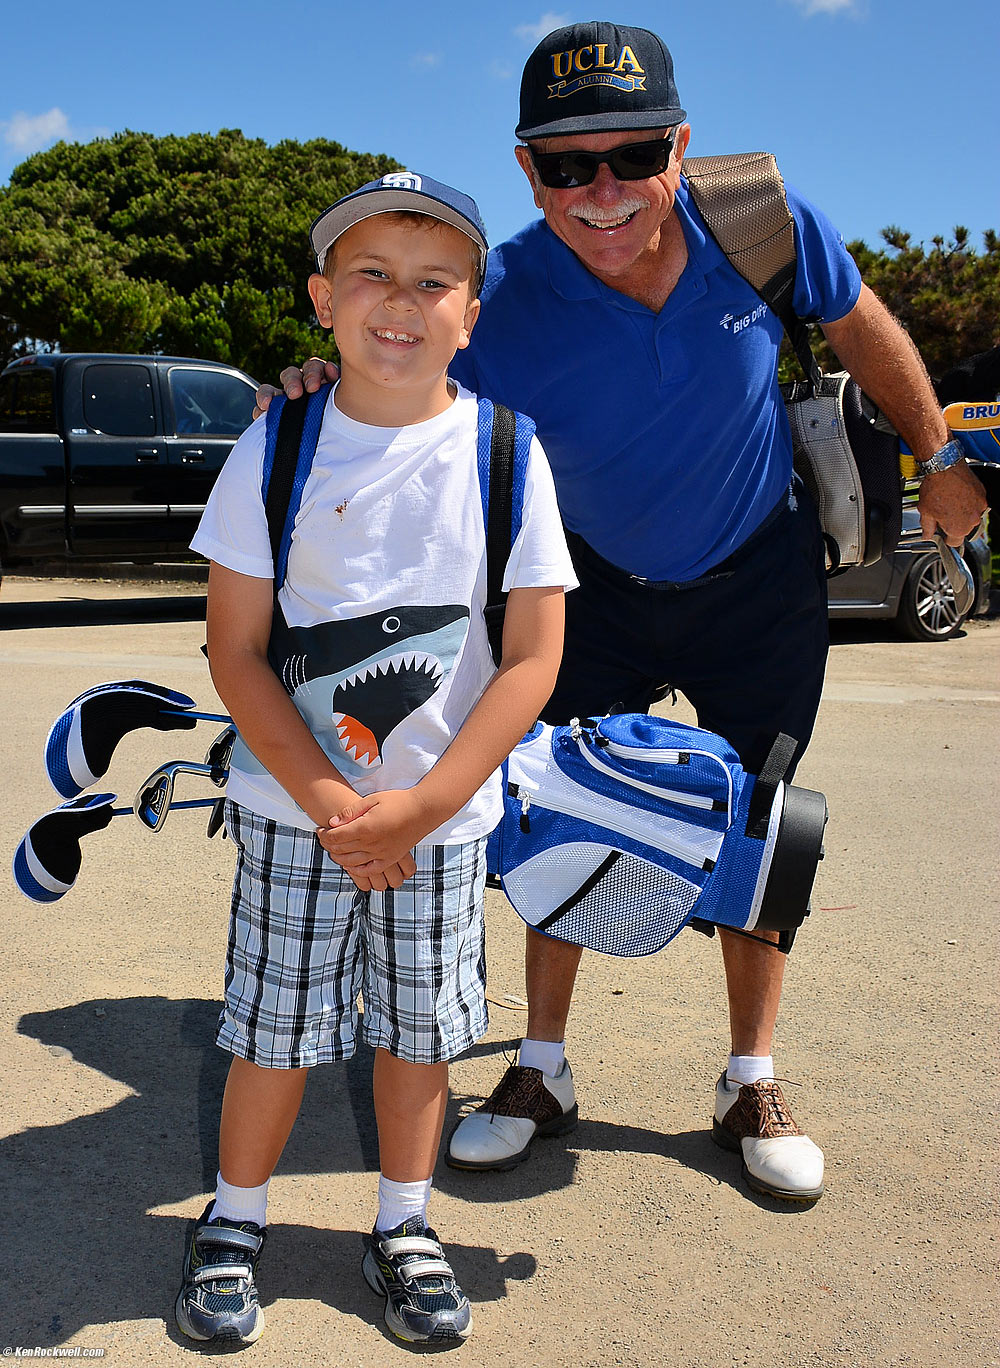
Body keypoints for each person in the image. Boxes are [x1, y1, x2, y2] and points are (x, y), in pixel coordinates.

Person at [259, 22, 987, 1206]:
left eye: (630, 154)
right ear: (524, 167)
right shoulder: (498, 294)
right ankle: (539, 1068)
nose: (599, 192)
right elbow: (397, 370)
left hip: (756, 578)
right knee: (553, 819)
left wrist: (943, 449)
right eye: (563, 165)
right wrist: (314, 385)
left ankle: (749, 1076)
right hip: (587, 591)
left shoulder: (761, 226)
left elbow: (860, 324)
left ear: (678, 146)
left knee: (760, 830)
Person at [178, 172, 575, 1347]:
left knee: (418, 1036)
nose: (398, 303)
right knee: (271, 1026)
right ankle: (233, 1220)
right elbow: (235, 650)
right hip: (295, 810)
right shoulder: (274, 446)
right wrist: (333, 802)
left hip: (440, 827)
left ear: (470, 313)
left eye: (432, 282)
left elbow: (531, 659)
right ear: (321, 299)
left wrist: (425, 805)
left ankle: (405, 1224)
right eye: (370, 275)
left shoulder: (508, 452)